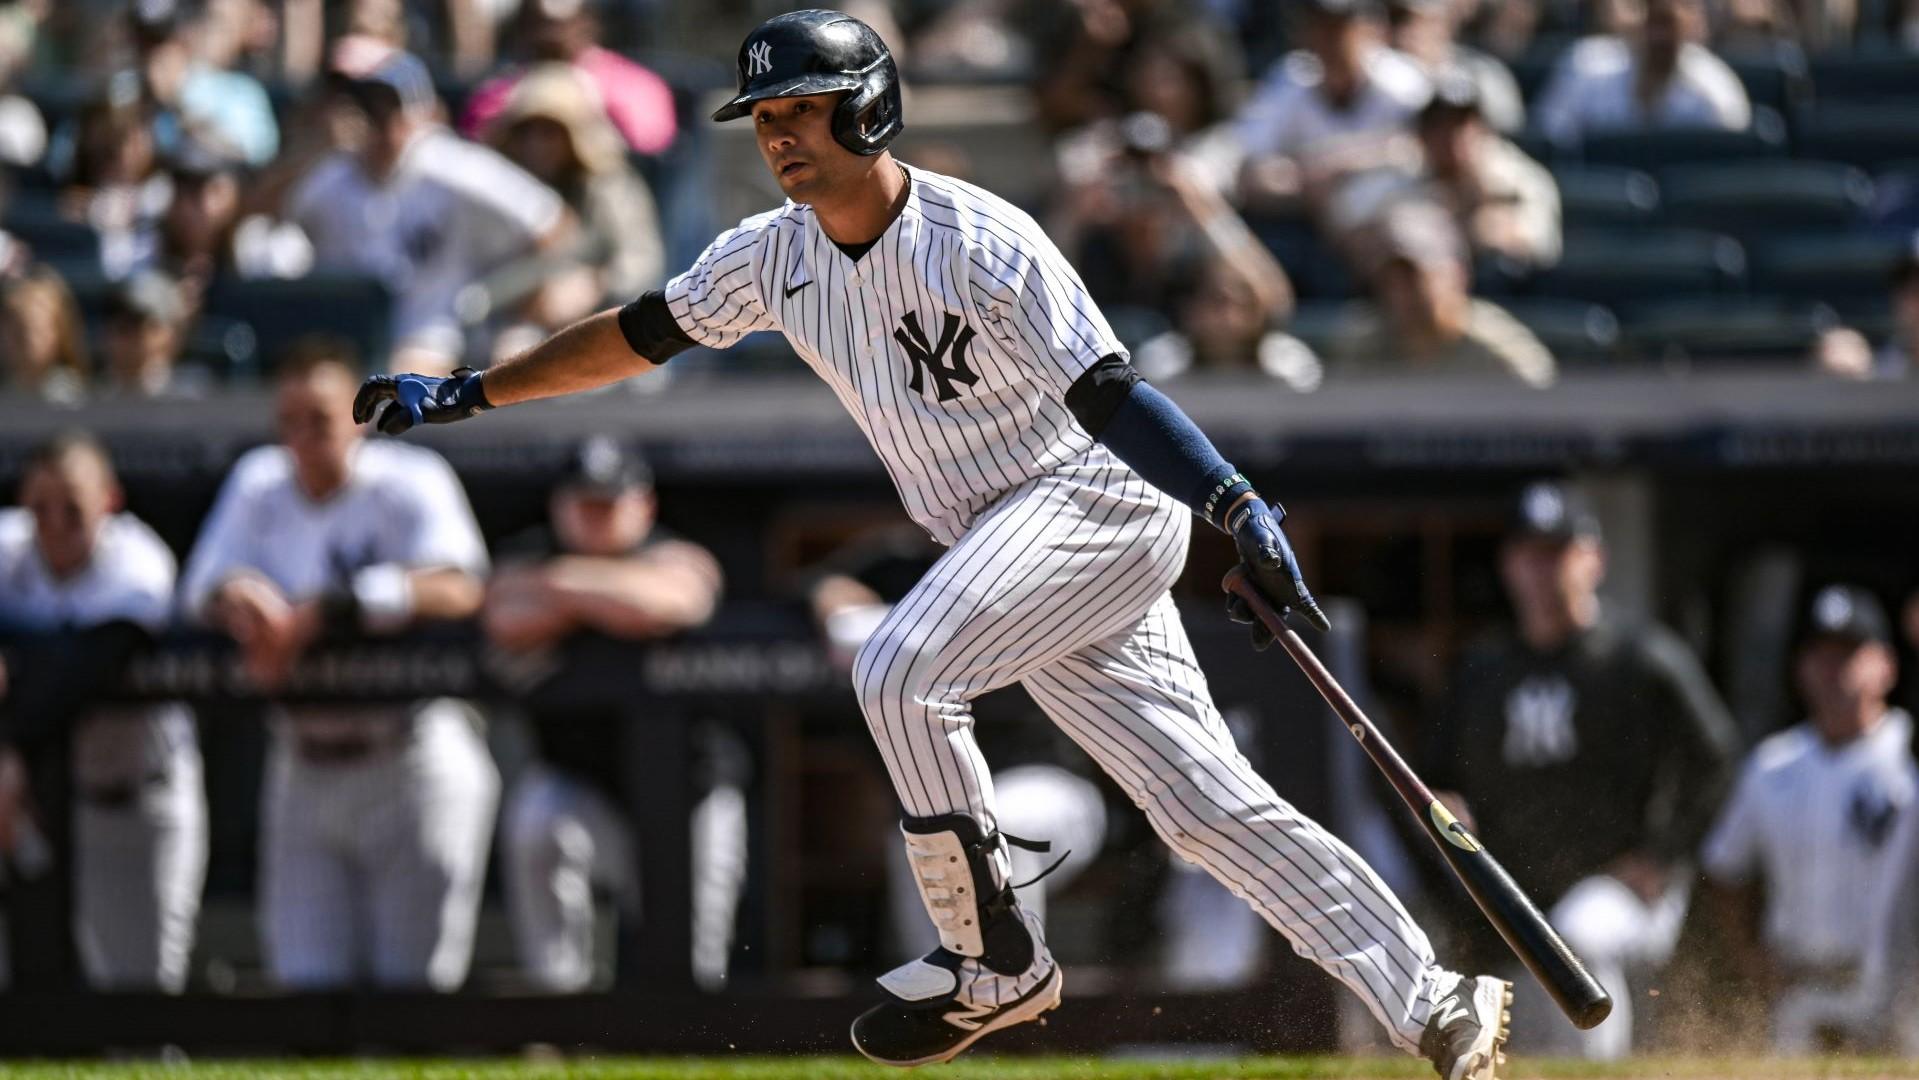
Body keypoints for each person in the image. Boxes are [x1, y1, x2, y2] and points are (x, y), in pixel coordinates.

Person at [355, 12, 1516, 1077]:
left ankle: (995, 963)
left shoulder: (980, 236)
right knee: (1201, 809)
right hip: (1004, 551)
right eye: (765, 119)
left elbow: (1109, 395)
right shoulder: (771, 255)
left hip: (1092, 502)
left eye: (801, 111)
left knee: (900, 665)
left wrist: (1230, 502)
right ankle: (1433, 996)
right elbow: (637, 334)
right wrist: (472, 392)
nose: (779, 138)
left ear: (865, 110)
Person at [180, 345, 496, 990]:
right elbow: (197, 588)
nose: (301, 438)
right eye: (287, 421)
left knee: (413, 995)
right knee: (305, 989)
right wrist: (240, 595)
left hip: (408, 756)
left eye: (318, 418)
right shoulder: (260, 480)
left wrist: (338, 607)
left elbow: (462, 587)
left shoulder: (410, 478)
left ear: (357, 416)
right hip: (304, 761)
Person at [1425, 482, 1740, 1058]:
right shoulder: (1484, 667)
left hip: (1620, 886)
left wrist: (1663, 854)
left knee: (1577, 936)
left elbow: (1716, 756)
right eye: (1529, 553)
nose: (1542, 571)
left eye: (1557, 551)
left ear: (1592, 558)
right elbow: (1433, 777)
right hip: (1517, 893)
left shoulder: (1638, 656)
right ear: (1508, 565)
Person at [487, 436, 743, 992]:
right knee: (537, 817)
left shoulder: (666, 547)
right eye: (584, 503)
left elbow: (678, 598)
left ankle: (688, 1052)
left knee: (694, 971)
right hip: (588, 790)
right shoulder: (530, 551)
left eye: (610, 503)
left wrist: (562, 589)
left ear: (643, 504)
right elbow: (503, 614)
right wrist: (606, 597)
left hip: (691, 793)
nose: (596, 517)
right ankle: (560, 1017)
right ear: (559, 505)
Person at [0, 433, 207, 993]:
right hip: (72, 796)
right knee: (98, 983)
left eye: (73, 506)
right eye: (40, 507)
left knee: (150, 987)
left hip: (149, 792)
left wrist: (11, 742)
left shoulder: (136, 559)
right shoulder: (9, 546)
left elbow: (86, 668)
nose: (55, 522)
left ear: (110, 501)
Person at [1701, 585, 1918, 1051]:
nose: (1833, 669)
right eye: (1820, 653)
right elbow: (1724, 870)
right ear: (1800, 667)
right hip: (1801, 985)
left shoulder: (1909, 755)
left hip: (1903, 990)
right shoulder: (1773, 764)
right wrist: (1751, 960)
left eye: (1849, 653)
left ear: (1887, 665)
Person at [284, 39, 569, 374]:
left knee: (399, 387)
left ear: (419, 112)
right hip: (343, 340)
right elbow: (269, 222)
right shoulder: (329, 175)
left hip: (431, 336)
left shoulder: (449, 166)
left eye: (389, 106)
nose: (379, 120)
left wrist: (512, 302)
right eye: (368, 106)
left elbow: (554, 224)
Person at [483, 63, 665, 343]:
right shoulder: (502, 187)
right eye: (526, 132)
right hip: (508, 322)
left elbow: (640, 262)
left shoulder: (606, 187)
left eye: (549, 132)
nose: (536, 144)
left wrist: (595, 284)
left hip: (604, 330)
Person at [1327, 201, 1556, 385]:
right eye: (1392, 280)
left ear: (1457, 275)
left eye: (1417, 278)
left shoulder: (1495, 348)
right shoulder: (1363, 346)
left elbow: (1543, 404)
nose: (1405, 294)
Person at [1234, 0, 1431, 211]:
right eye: (1320, 26)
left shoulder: (1404, 84)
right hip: (1306, 214)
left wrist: (1337, 165)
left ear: (1372, 31)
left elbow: (1425, 153)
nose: (1329, 39)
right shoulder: (1291, 78)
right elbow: (1251, 165)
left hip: (1391, 209)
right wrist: (1315, 175)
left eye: (1341, 27)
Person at [460, 0, 678, 157]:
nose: (550, 35)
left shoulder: (633, 84)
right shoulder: (500, 91)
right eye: (539, 24)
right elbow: (474, 146)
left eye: (560, 25)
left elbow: (650, 145)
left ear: (588, 25)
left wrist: (590, 108)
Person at [1531, 0, 1751, 146]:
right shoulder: (1587, 65)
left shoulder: (1714, 86)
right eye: (1652, 17)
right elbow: (1550, 139)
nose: (1659, 35)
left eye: (1667, 22)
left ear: (1691, 23)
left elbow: (1729, 157)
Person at [1413, 75, 1559, 270]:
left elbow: (1542, 246)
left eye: (1462, 125)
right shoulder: (1402, 174)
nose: (1453, 137)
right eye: (1441, 126)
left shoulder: (1519, 177)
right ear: (1423, 134)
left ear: (1483, 130)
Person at [1385, 0, 1524, 133]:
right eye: (1398, 21)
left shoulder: (1482, 73)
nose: (1406, 31)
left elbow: (1507, 128)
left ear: (1445, 24)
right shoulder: (1380, 78)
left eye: (1419, 22)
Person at [97, 268, 210, 399]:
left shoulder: (199, 395)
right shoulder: (85, 398)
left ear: (173, 334)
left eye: (148, 326)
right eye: (123, 328)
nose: (134, 338)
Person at [0, 267, 89, 404]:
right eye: (17, 332)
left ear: (60, 331)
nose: (26, 341)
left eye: (36, 330)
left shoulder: (77, 398)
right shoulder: (6, 393)